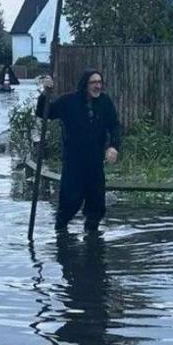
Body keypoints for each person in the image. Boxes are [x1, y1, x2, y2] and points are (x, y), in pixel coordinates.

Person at [36, 70, 121, 232]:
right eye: (93, 82)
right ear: (84, 85)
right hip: (73, 162)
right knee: (69, 203)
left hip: (95, 163)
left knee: (96, 206)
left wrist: (113, 146)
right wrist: (45, 93)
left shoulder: (105, 102)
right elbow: (44, 112)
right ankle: (62, 238)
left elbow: (114, 126)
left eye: (99, 82)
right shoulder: (68, 102)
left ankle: (92, 243)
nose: (97, 86)